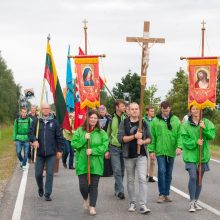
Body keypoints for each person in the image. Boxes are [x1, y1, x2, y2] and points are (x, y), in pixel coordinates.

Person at [71, 110, 109, 215]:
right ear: (87, 118)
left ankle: (92, 206)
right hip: (82, 163)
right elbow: (74, 144)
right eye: (91, 117)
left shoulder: (102, 133)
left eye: (95, 118)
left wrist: (93, 151)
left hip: (96, 163)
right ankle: (85, 197)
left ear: (97, 120)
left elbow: (104, 146)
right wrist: (84, 139)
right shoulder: (80, 131)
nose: (93, 119)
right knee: (83, 186)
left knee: (94, 186)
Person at [181, 105, 216, 212]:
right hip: (191, 156)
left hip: (203, 156)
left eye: (198, 108)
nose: (196, 111)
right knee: (193, 177)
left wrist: (204, 129)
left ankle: (196, 201)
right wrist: (195, 142)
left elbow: (212, 136)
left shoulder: (207, 122)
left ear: (201, 110)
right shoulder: (186, 125)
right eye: (193, 109)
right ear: (190, 111)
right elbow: (184, 140)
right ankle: (191, 202)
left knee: (199, 179)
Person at [118, 102, 151, 214]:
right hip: (128, 156)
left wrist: (143, 141)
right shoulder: (124, 123)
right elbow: (121, 139)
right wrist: (134, 137)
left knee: (142, 179)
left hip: (141, 156)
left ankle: (143, 204)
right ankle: (132, 202)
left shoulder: (144, 123)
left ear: (139, 110)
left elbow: (149, 139)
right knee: (131, 180)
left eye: (136, 109)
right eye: (132, 109)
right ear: (128, 111)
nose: (135, 111)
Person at [148, 101, 182, 203]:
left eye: (167, 110)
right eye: (163, 111)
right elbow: (152, 136)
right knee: (162, 171)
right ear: (161, 109)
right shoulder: (155, 120)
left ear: (170, 108)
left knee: (169, 173)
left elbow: (180, 134)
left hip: (171, 151)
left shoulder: (176, 120)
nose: (165, 112)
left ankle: (166, 194)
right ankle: (161, 194)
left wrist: (179, 146)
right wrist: (151, 150)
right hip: (160, 150)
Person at [29, 103, 64, 201]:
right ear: (41, 109)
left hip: (51, 153)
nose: (45, 110)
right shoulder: (36, 121)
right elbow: (30, 133)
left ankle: (47, 193)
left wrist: (60, 150)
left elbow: (59, 137)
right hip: (39, 153)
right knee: (38, 174)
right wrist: (34, 140)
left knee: (49, 174)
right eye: (44, 108)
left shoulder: (55, 122)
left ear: (50, 110)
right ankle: (40, 187)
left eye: (47, 108)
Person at [107, 99, 127, 199]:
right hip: (113, 147)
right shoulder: (110, 119)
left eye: (124, 106)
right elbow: (107, 134)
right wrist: (107, 149)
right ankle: (121, 191)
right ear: (117, 107)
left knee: (122, 170)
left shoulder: (126, 118)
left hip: (124, 147)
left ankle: (117, 189)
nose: (124, 107)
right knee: (117, 169)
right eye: (122, 106)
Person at [98, 105, 113, 177]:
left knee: (107, 154)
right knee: (101, 154)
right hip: (99, 137)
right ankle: (100, 171)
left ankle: (108, 172)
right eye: (101, 111)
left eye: (103, 111)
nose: (102, 112)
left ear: (106, 111)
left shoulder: (109, 118)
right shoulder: (97, 118)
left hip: (107, 136)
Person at [143, 105, 156, 182]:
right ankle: (145, 174)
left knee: (152, 160)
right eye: (151, 111)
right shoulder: (143, 120)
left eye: (153, 111)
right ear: (147, 112)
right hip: (145, 142)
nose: (153, 112)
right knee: (145, 159)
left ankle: (151, 176)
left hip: (153, 142)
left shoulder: (155, 120)